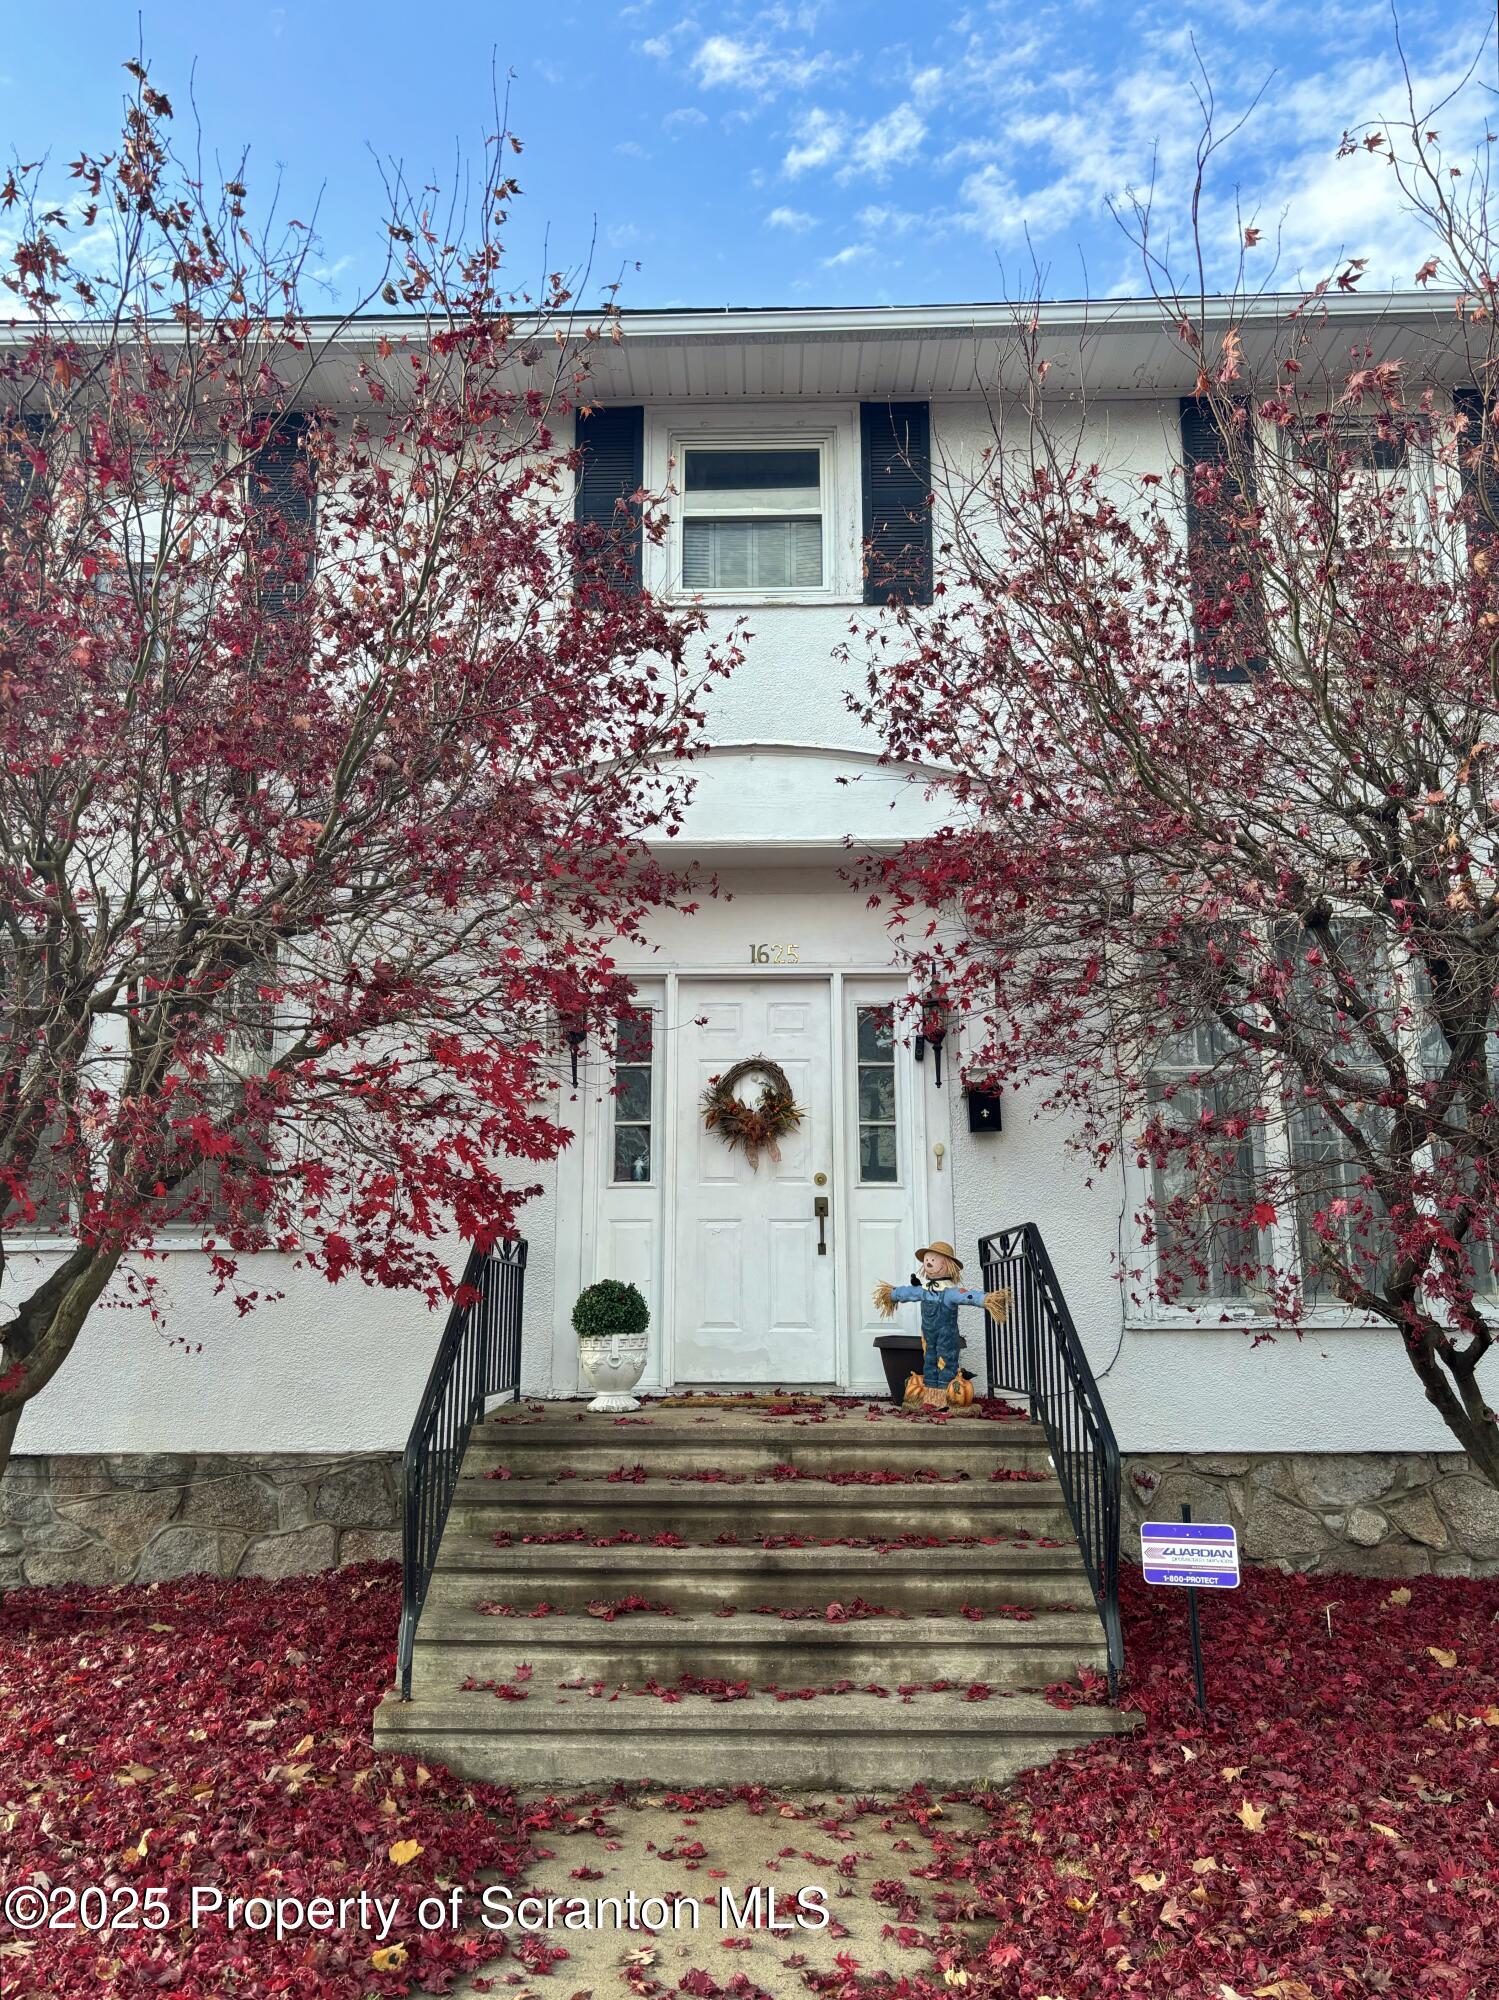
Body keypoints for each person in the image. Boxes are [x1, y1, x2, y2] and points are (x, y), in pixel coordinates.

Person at [873, 1241, 1008, 1411]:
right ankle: (930, 1395)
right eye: (927, 1259)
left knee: (946, 1360)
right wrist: (892, 1294)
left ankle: (946, 1396)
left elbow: (968, 1296)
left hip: (947, 1336)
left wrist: (986, 1299)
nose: (928, 1262)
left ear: (947, 1264)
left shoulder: (950, 1292)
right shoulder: (923, 1290)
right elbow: (906, 1292)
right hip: (928, 1336)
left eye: (934, 1259)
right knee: (929, 1359)